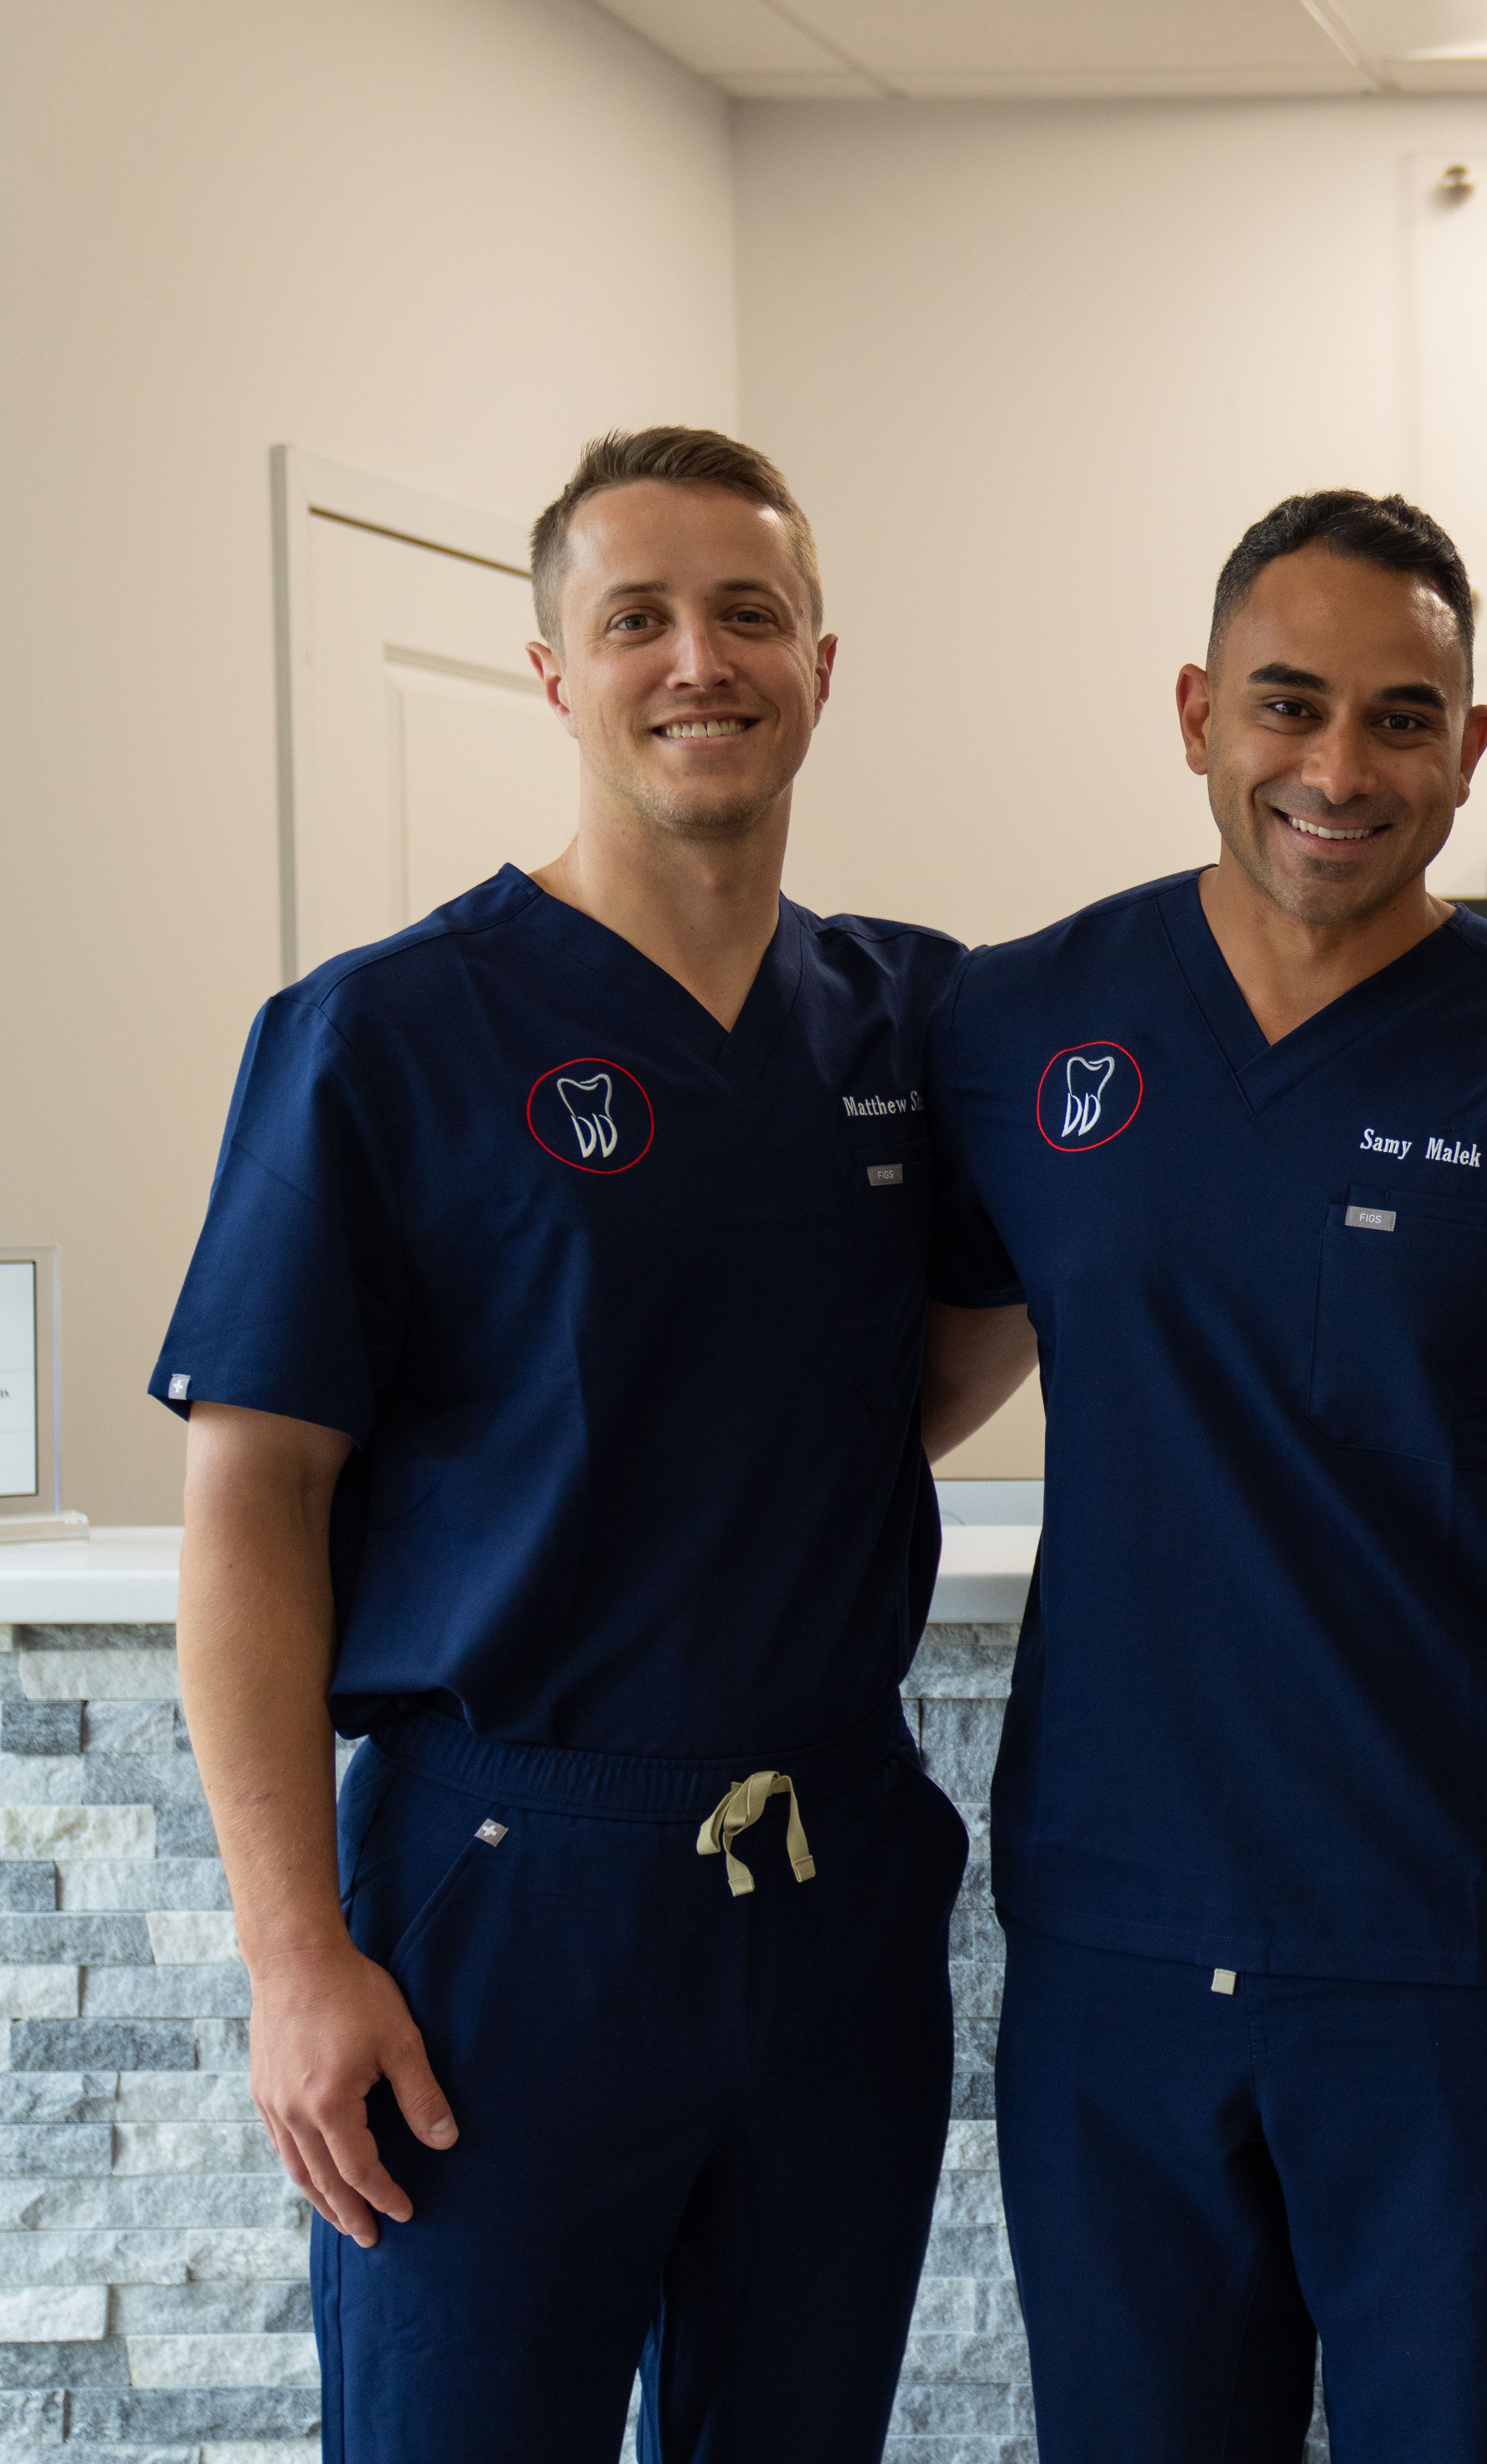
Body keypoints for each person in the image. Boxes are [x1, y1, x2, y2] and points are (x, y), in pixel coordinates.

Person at [918, 488, 1487, 2464]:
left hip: (1460, 1961)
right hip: (1117, 1953)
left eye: (1400, 718)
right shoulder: (1022, 1023)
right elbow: (894, 1384)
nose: (1338, 768)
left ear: (1470, 747)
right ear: (1193, 711)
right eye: (1286, 705)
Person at [159, 428, 995, 2459]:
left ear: (819, 661)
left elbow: (949, 1347)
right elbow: (251, 1499)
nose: (695, 658)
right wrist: (295, 1957)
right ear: (556, 672)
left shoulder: (913, 1024)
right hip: (505, 1902)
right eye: (636, 618)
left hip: (827, 1892)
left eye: (745, 614)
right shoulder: (384, 1035)